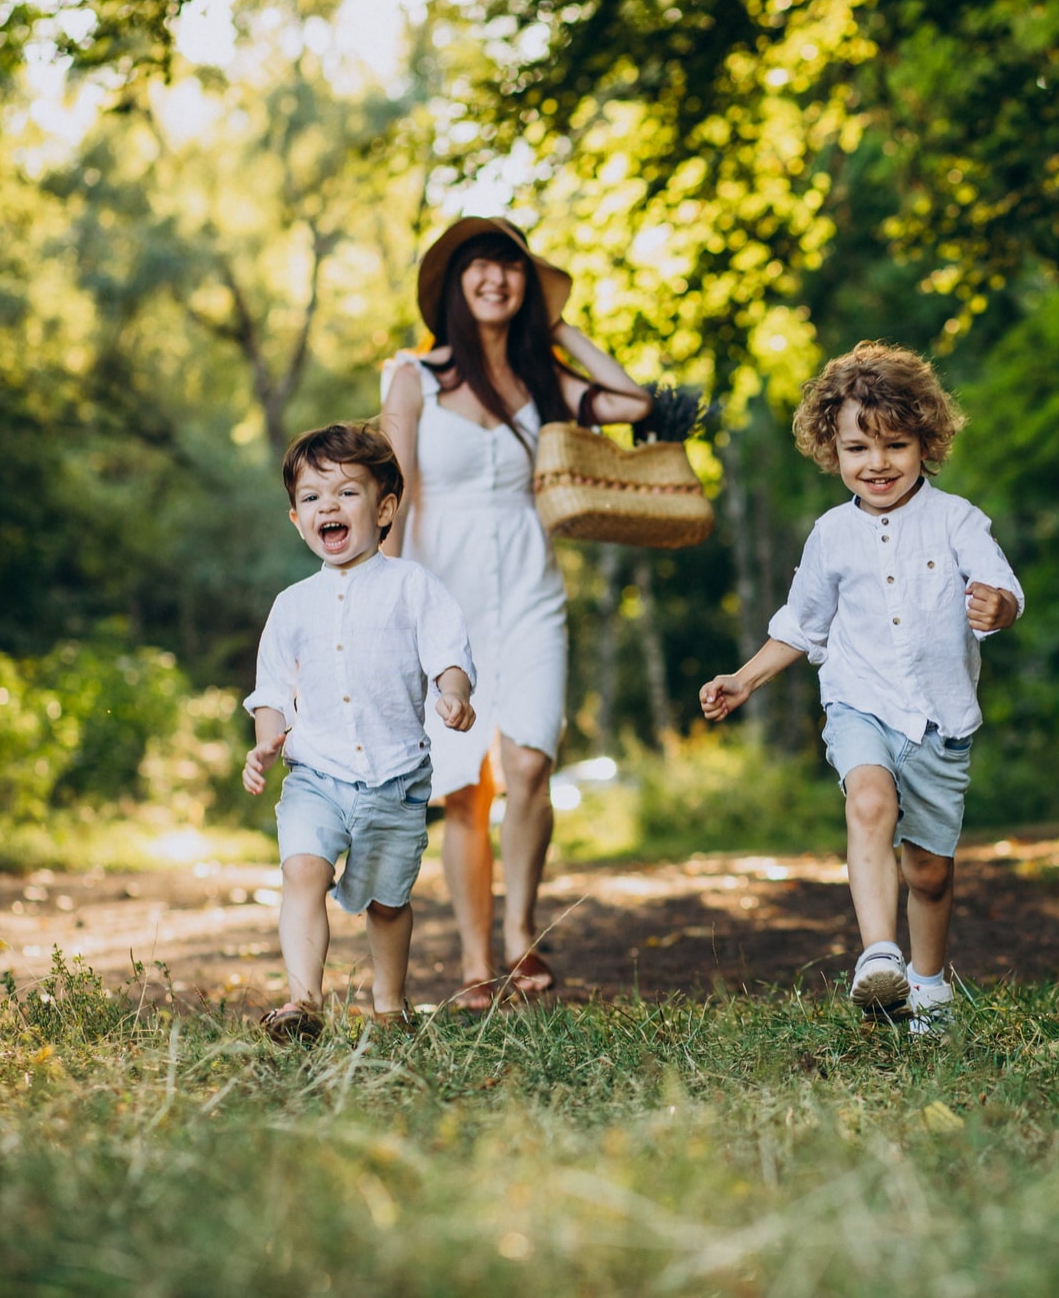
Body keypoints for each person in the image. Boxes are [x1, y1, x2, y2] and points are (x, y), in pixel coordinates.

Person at [699, 342, 1024, 1033]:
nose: (876, 464)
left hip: (941, 720)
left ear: (925, 442)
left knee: (930, 873)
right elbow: (802, 625)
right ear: (832, 449)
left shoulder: (957, 520)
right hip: (860, 706)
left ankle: (929, 986)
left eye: (895, 445)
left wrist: (1001, 607)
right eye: (857, 448)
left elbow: (1002, 587)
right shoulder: (831, 536)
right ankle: (881, 956)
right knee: (869, 804)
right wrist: (744, 678)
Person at [380, 217, 650, 1009]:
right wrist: (384, 596)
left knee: (530, 764)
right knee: (464, 785)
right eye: (481, 268)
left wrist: (561, 327)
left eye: (512, 268)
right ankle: (473, 961)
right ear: (455, 286)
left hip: (532, 591)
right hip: (441, 595)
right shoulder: (414, 377)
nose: (496, 279)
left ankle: (520, 933)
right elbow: (394, 489)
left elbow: (634, 402)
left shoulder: (542, 379)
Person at [242, 422, 478, 1040]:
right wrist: (268, 739)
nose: (329, 507)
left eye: (347, 493)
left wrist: (453, 693)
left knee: (387, 902)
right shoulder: (292, 605)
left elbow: (448, 653)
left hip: (395, 779)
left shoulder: (412, 587)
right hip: (315, 773)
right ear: (297, 519)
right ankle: (302, 1003)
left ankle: (390, 1006)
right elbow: (272, 691)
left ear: (385, 508)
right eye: (313, 498)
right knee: (302, 871)